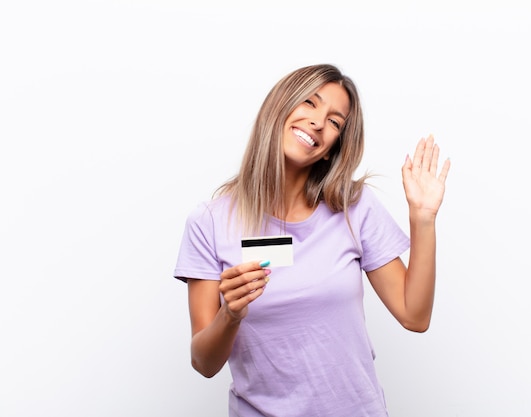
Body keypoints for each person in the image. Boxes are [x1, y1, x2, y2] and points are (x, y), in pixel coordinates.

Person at [173, 63, 451, 416]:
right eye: (309, 103)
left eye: (335, 121)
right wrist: (229, 314)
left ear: (333, 147)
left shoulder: (353, 207)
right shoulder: (209, 222)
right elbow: (203, 362)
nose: (319, 122)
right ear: (280, 106)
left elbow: (415, 316)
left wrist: (422, 218)